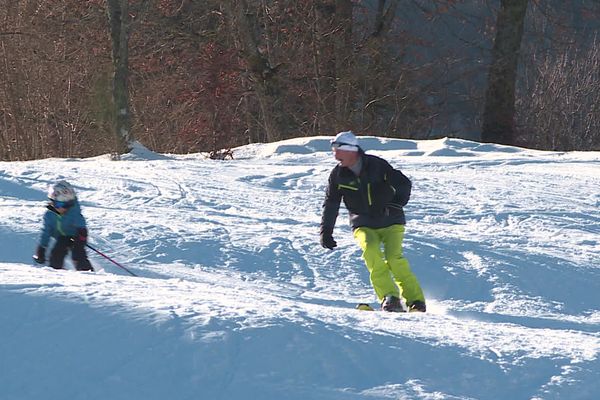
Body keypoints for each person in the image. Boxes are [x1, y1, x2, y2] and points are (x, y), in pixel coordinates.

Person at [320, 131, 425, 312]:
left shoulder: (376, 165)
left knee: (394, 258)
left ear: (351, 150)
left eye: (338, 150)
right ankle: (390, 297)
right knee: (371, 252)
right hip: (362, 223)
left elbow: (403, 184)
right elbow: (331, 203)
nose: (335, 155)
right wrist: (326, 231)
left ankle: (415, 300)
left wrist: (395, 204)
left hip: (391, 220)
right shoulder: (338, 175)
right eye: (333, 150)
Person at [33, 181, 94, 272]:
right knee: (56, 253)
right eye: (58, 204)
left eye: (66, 205)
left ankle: (87, 272)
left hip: (77, 236)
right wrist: (42, 248)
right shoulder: (50, 215)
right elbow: (46, 232)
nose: (62, 208)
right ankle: (56, 273)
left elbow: (81, 224)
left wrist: (82, 234)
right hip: (62, 237)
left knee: (77, 254)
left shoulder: (73, 212)